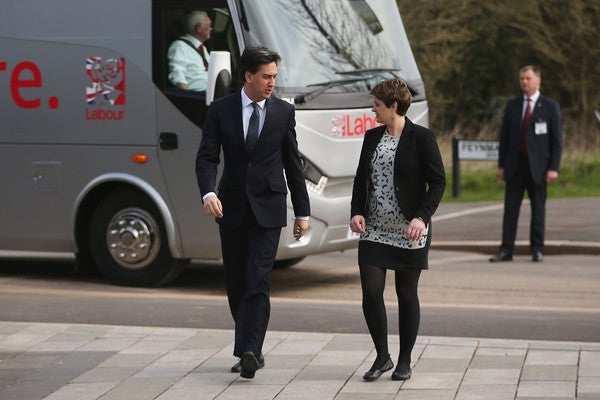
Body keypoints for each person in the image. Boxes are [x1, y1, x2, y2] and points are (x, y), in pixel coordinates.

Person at [195, 46, 310, 379]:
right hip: (230, 207)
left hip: (269, 208)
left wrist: (302, 212)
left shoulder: (283, 113)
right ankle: (251, 347)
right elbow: (206, 157)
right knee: (236, 283)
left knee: (258, 280)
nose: (272, 82)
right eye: (266, 76)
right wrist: (208, 192)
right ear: (248, 76)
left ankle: (249, 350)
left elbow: (293, 163)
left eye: (275, 76)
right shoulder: (220, 110)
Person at [350, 78, 445, 382]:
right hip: (375, 229)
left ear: (393, 106)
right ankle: (382, 356)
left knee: (406, 293)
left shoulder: (422, 138)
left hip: (409, 231)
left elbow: (438, 182)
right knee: (371, 292)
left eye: (376, 104)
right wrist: (357, 211)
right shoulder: (372, 136)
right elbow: (360, 178)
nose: (372, 109)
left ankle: (404, 360)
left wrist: (421, 217)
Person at [489, 65, 563, 263]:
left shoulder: (550, 106)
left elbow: (557, 141)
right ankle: (506, 250)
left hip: (538, 166)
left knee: (538, 210)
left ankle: (537, 249)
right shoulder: (512, 105)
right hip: (515, 165)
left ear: (538, 80)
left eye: (528, 78)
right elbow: (504, 138)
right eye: (522, 78)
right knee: (510, 209)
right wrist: (502, 165)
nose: (524, 82)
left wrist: (554, 167)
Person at [167, 10, 212, 91]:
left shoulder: (202, 48)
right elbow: (177, 74)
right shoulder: (179, 46)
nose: (211, 28)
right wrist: (189, 97)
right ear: (199, 28)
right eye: (208, 25)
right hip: (196, 96)